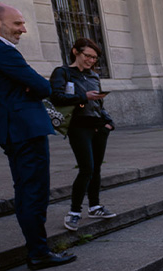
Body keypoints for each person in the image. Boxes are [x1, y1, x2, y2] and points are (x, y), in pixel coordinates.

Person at [0, 3, 75, 270]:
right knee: (33, 191)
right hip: (24, 129)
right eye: (17, 23)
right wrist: (33, 88)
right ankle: (39, 252)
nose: (23, 29)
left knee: (26, 189)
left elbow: (34, 87)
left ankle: (38, 249)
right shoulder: (1, 51)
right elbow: (44, 86)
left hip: (15, 128)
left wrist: (30, 88)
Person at [50, 39, 116, 231]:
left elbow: (98, 105)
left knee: (96, 169)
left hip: (98, 126)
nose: (91, 60)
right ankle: (74, 212)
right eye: (87, 56)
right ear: (75, 52)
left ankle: (95, 206)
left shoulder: (93, 76)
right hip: (78, 127)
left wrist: (108, 122)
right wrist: (83, 97)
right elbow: (56, 97)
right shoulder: (63, 72)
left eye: (94, 58)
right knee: (86, 168)